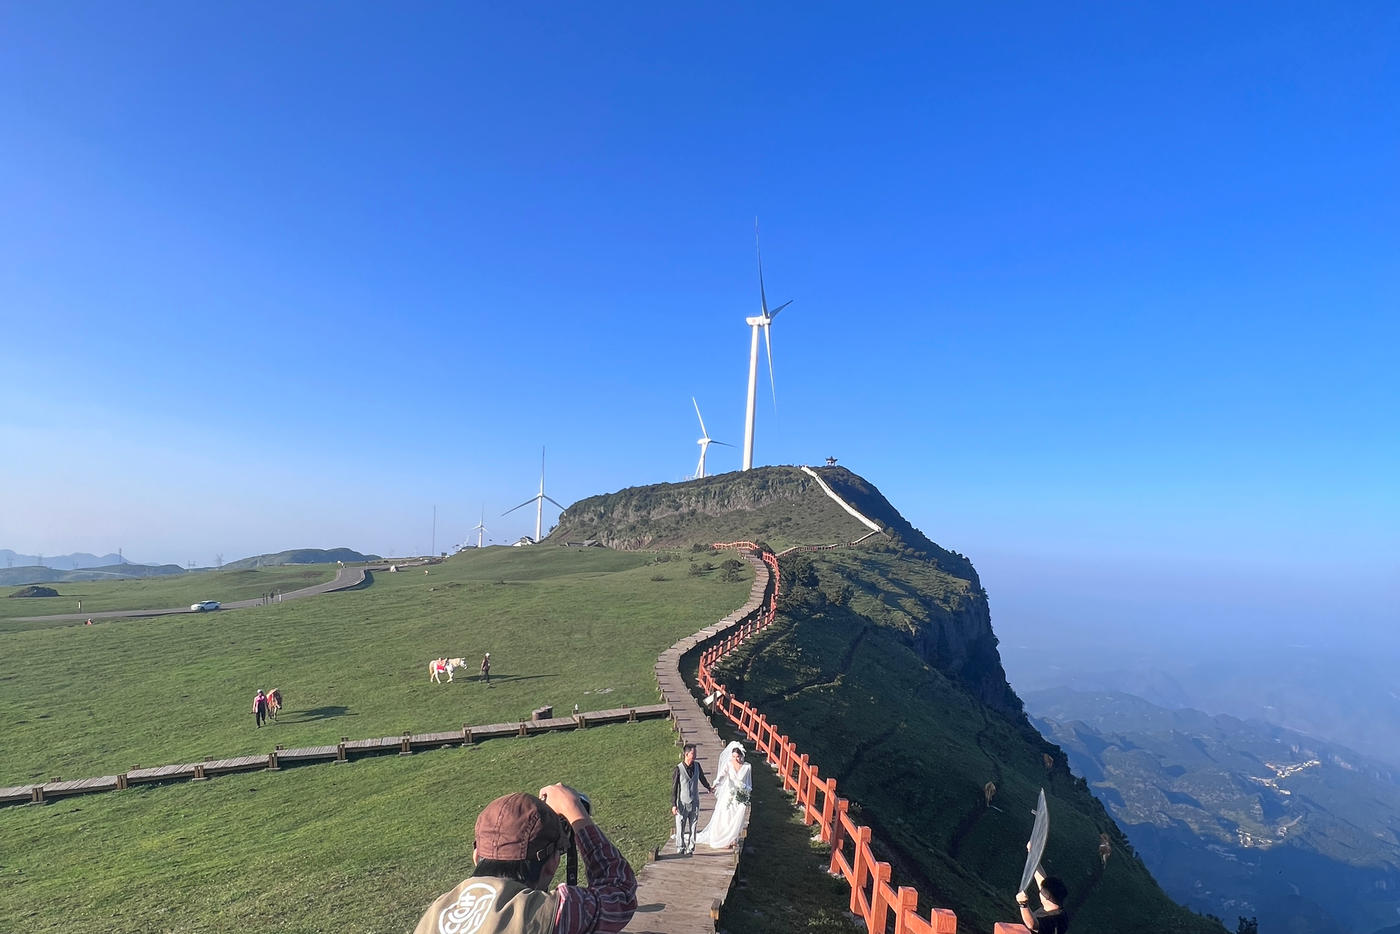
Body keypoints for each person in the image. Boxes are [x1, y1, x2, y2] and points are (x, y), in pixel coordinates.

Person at [413, 784, 637, 934]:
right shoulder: (546, 912)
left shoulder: (435, 912)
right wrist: (574, 811)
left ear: (476, 856)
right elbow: (620, 893)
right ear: (552, 865)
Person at [695, 741, 752, 849]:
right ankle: (725, 839)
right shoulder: (729, 764)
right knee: (726, 816)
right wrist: (714, 785)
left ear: (741, 756)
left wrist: (746, 792)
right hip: (729, 794)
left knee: (738, 816)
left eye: (737, 756)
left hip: (740, 795)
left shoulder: (747, 767)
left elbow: (749, 783)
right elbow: (721, 776)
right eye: (733, 756)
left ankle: (733, 838)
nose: (735, 759)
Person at [671, 744, 713, 856]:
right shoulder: (678, 769)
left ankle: (691, 848)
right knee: (680, 825)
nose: (695, 755)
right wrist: (674, 804)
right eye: (693, 753)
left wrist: (708, 787)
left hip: (695, 801)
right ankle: (680, 847)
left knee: (693, 825)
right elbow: (674, 788)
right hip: (682, 803)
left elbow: (702, 778)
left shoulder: (697, 766)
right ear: (686, 754)